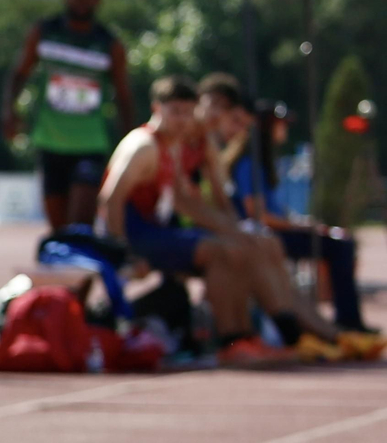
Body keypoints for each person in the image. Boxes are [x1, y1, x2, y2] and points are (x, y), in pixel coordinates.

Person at [99, 76, 336, 362]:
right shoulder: (144, 146)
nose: (183, 120)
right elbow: (110, 198)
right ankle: (235, 341)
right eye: (176, 112)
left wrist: (232, 228)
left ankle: (259, 336)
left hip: (155, 231)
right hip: (133, 237)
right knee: (225, 251)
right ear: (157, 108)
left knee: (243, 245)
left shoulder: (171, 145)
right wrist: (120, 252)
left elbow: (183, 200)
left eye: (187, 112)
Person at [197, 76, 374, 345]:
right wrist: (304, 227)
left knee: (322, 245)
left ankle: (326, 331)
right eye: (236, 122)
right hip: (257, 232)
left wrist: (302, 223)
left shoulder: (262, 161)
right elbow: (258, 214)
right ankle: (322, 330)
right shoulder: (248, 162)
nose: (286, 129)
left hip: (257, 233)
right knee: (328, 246)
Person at [2, 0, 135, 233]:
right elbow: (19, 74)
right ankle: (67, 271)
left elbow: (123, 95)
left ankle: (81, 268)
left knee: (80, 228)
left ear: (97, 0)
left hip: (89, 143)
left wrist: (127, 142)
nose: (81, 0)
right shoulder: (44, 32)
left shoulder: (109, 43)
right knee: (58, 229)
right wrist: (8, 110)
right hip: (49, 141)